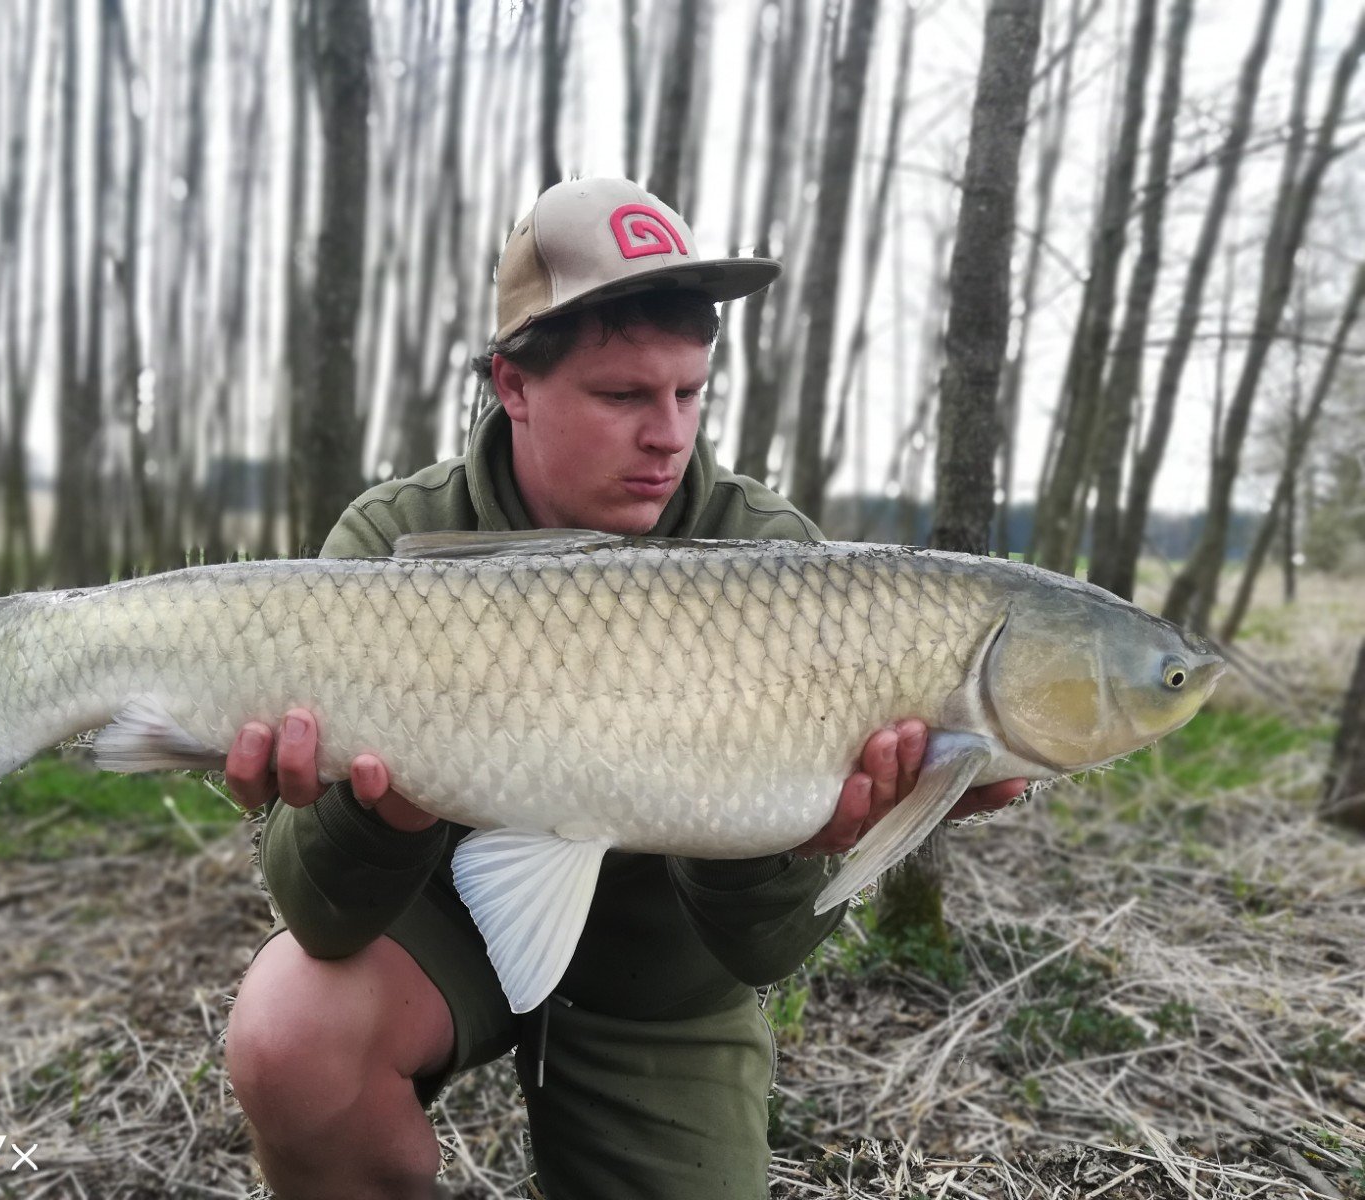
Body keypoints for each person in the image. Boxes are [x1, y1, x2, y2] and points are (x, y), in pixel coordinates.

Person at [222, 177, 1025, 1200]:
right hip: (442, 935)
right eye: (623, 397)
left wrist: (809, 837)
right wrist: (385, 810)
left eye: (689, 393)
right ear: (512, 385)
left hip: (666, 982)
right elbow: (318, 911)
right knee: (291, 1035)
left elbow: (764, 945)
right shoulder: (393, 549)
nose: (669, 435)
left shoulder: (782, 566)